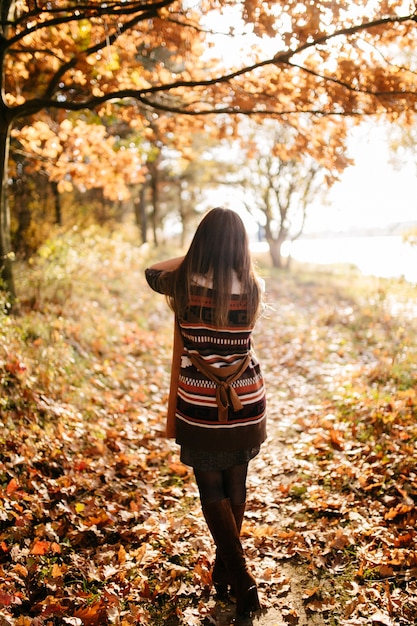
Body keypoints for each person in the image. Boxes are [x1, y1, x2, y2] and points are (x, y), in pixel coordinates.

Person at [145, 207, 267, 618]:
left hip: (200, 401)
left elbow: (150, 271)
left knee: (211, 488)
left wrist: (197, 256)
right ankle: (225, 567)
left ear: (201, 242)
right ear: (241, 246)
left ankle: (241, 577)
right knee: (236, 481)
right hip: (245, 399)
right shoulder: (252, 286)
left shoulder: (181, 282)